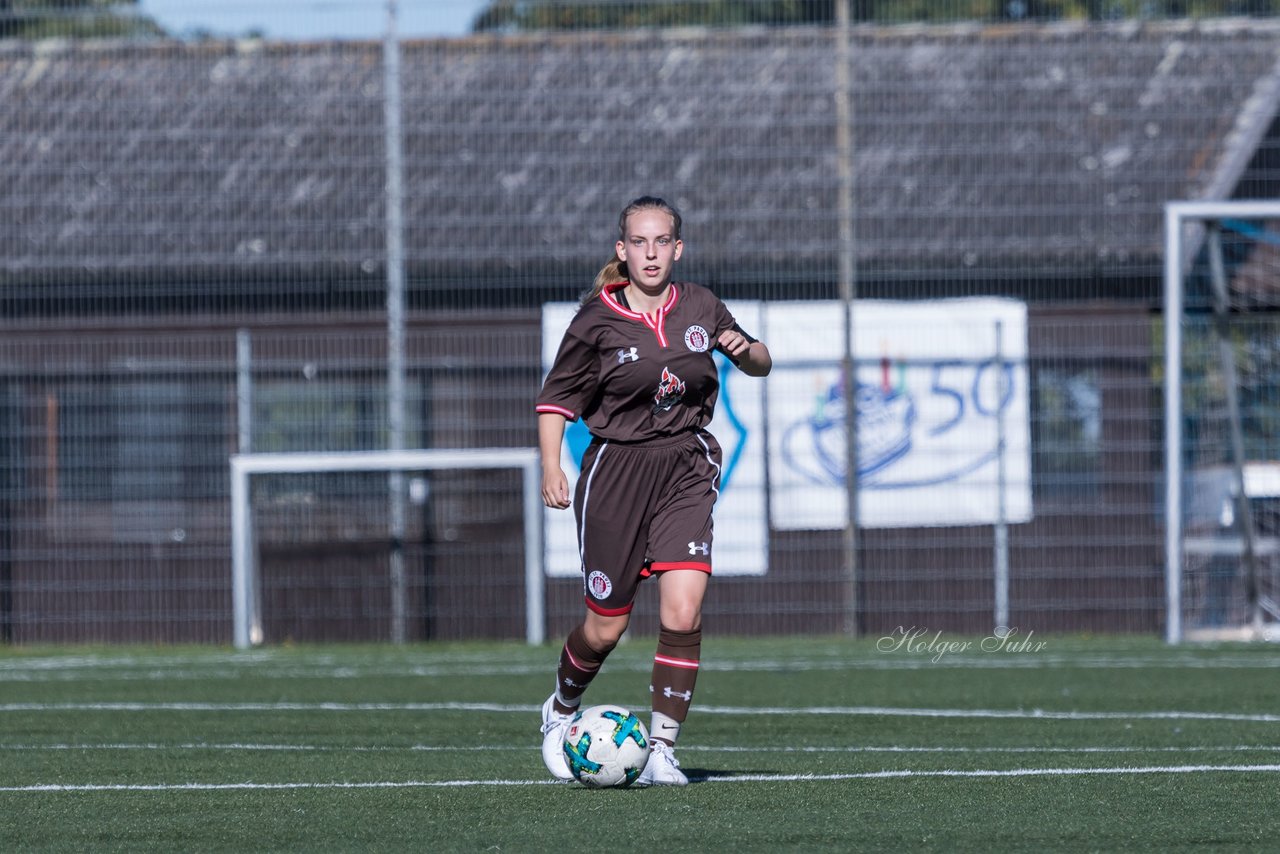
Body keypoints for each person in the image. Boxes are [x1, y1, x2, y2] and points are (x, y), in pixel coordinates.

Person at [534, 195, 772, 786]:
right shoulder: (596, 320)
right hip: (616, 473)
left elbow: (761, 361)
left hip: (685, 467)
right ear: (622, 250)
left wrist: (746, 350)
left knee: (684, 612)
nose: (650, 252)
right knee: (606, 628)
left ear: (677, 248)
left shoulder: (700, 305)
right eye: (638, 242)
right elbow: (555, 401)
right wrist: (550, 466)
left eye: (660, 241)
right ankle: (562, 706)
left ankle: (662, 749)